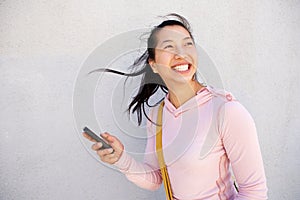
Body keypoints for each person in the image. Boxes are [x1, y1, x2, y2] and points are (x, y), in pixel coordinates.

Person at [83, 13, 268, 200]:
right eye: (169, 46)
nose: (181, 54)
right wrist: (121, 159)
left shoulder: (226, 110)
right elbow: (155, 178)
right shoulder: (158, 114)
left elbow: (254, 192)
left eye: (187, 44)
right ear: (154, 65)